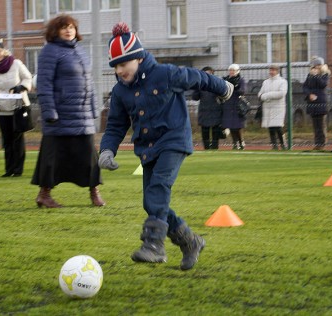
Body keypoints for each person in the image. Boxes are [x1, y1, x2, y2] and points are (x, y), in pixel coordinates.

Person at [99, 22, 233, 270]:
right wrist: (107, 150)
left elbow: (199, 77)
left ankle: (154, 246)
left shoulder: (166, 74)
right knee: (151, 203)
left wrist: (223, 87)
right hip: (147, 149)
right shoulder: (120, 92)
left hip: (174, 141)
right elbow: (115, 125)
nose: (118, 70)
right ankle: (190, 241)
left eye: (122, 64)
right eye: (115, 66)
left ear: (138, 58)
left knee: (159, 187)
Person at [31, 14, 105, 208]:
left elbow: (89, 83)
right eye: (63, 27)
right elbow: (44, 84)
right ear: (55, 31)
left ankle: (94, 193)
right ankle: (44, 195)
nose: (68, 30)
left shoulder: (81, 51)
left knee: (89, 157)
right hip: (59, 116)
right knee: (52, 157)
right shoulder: (49, 51)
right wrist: (49, 112)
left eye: (71, 26)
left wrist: (93, 108)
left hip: (82, 117)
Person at [0, 38, 32, 177]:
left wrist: (21, 87)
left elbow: (27, 77)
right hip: (2, 108)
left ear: (4, 51)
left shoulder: (16, 64)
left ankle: (18, 169)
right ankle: (8, 169)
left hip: (18, 106)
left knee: (18, 138)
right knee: (7, 139)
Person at [192, 66, 223, 150]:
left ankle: (215, 148)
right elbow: (195, 97)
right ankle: (206, 148)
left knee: (215, 131)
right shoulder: (200, 84)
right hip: (204, 110)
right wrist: (197, 88)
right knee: (205, 131)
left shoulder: (217, 83)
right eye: (205, 73)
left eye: (209, 73)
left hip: (215, 110)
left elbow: (222, 96)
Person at [258, 64, 288, 150]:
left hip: (278, 107)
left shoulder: (283, 81)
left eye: (273, 70)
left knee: (278, 127)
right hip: (267, 107)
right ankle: (274, 145)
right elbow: (260, 94)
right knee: (270, 127)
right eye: (270, 70)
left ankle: (283, 144)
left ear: (277, 71)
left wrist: (267, 95)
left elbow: (281, 93)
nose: (271, 72)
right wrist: (263, 97)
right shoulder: (266, 82)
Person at [303, 56, 330, 151]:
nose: (317, 67)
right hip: (312, 102)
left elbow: (323, 84)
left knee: (321, 124)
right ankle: (317, 143)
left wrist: (316, 76)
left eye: (319, 65)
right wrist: (309, 94)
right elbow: (305, 86)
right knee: (315, 125)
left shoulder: (325, 74)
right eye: (316, 65)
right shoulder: (310, 75)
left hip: (321, 102)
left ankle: (322, 144)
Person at [221, 64, 247, 150]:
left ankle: (241, 141)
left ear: (237, 71)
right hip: (228, 104)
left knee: (237, 126)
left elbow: (242, 91)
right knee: (230, 125)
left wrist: (235, 87)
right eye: (230, 70)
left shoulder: (241, 80)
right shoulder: (226, 80)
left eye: (233, 70)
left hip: (237, 105)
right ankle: (235, 143)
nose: (231, 72)